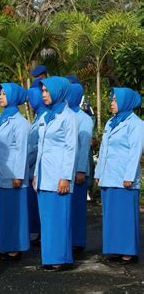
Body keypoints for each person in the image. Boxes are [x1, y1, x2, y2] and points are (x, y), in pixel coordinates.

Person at [33, 76, 77, 272]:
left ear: (57, 91)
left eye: (47, 91)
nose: (43, 95)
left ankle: (62, 258)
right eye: (42, 91)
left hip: (59, 175)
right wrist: (36, 174)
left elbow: (71, 148)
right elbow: (40, 148)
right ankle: (49, 258)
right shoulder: (45, 116)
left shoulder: (68, 116)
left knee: (59, 218)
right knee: (47, 219)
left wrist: (65, 177)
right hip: (44, 175)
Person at [95, 87, 142, 265]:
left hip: (124, 178)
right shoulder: (110, 122)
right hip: (109, 175)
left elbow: (135, 152)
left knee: (125, 216)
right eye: (112, 100)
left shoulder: (136, 124)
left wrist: (129, 176)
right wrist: (99, 172)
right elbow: (103, 150)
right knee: (111, 215)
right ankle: (115, 248)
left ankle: (128, 252)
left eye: (115, 100)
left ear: (125, 102)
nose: (112, 103)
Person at [0, 83, 30, 260]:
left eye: (5, 94)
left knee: (13, 212)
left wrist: (18, 175)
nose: (0, 96)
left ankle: (14, 247)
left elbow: (21, 150)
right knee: (2, 212)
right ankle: (3, 244)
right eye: (0, 93)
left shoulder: (20, 122)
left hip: (12, 172)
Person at [66, 83, 93, 256]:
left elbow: (84, 147)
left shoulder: (84, 118)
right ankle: (70, 238)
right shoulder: (66, 115)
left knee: (77, 207)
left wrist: (81, 170)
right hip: (67, 170)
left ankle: (77, 241)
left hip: (77, 170)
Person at [26, 87, 47, 239]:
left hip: (34, 166)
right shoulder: (38, 116)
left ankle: (38, 233)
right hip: (32, 167)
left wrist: (25, 161)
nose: (29, 103)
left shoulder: (43, 117)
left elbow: (35, 147)